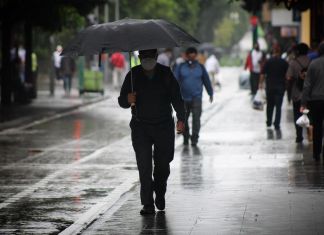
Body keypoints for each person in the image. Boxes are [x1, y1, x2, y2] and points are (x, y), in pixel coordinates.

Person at [118, 49, 185, 215]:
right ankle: (147, 203)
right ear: (139, 58)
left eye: (150, 56)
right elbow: (121, 101)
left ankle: (160, 191)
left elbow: (177, 97)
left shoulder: (166, 73)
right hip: (141, 127)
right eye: (144, 57)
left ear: (156, 57)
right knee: (144, 167)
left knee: (163, 165)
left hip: (163, 126)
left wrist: (181, 119)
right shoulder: (133, 75)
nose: (147, 60)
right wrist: (128, 99)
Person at [175, 47, 213, 146]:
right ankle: (186, 136)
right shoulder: (180, 67)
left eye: (193, 54)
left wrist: (210, 93)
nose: (192, 56)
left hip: (197, 98)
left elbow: (206, 81)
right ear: (186, 56)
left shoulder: (200, 67)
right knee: (183, 119)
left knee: (196, 119)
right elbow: (174, 81)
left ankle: (195, 138)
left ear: (196, 55)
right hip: (183, 98)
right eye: (189, 54)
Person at [301, 42, 324, 161]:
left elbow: (307, 85)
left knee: (317, 126)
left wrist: (303, 103)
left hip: (316, 100)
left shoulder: (313, 64)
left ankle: (316, 153)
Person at [259, 46, 288, 130]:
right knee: (278, 107)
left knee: (270, 106)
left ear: (273, 52)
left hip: (270, 87)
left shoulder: (268, 62)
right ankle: (277, 124)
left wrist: (260, 84)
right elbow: (288, 75)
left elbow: (262, 74)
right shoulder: (284, 62)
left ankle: (269, 122)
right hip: (280, 87)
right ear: (280, 52)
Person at [286, 43, 311, 143]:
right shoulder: (311, 62)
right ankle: (310, 135)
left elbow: (288, 77)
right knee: (310, 115)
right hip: (309, 94)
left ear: (298, 51)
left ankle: (299, 136)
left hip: (296, 93)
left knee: (297, 114)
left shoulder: (293, 63)